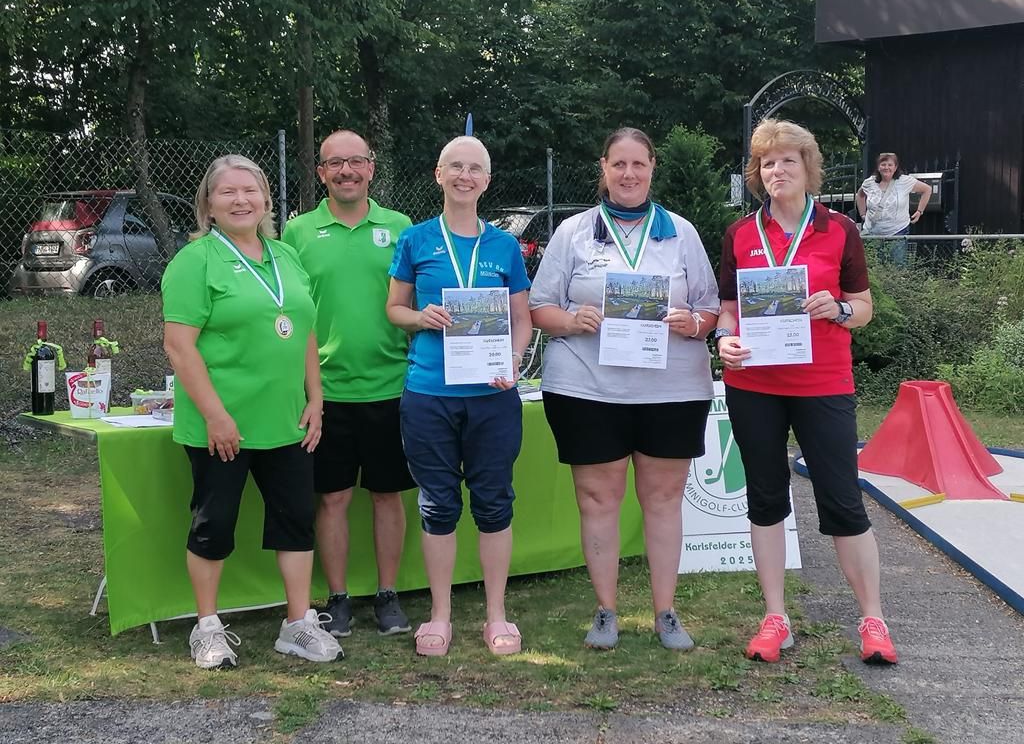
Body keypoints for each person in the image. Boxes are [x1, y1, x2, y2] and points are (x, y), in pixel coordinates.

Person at [529, 127, 719, 651]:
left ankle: (666, 612)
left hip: (671, 391)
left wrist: (692, 324)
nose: (629, 174)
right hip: (587, 390)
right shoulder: (572, 232)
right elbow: (540, 306)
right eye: (619, 164)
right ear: (604, 168)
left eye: (638, 164)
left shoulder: (681, 232)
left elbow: (710, 307)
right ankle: (606, 610)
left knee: (663, 499)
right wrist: (571, 321)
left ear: (653, 167)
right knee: (598, 499)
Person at [716, 119, 898, 665]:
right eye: (767, 162)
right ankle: (775, 617)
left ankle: (873, 619)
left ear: (808, 167)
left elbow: (863, 308)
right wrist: (724, 340)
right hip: (754, 384)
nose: (777, 170)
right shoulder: (739, 234)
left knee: (842, 499)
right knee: (766, 496)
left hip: (822, 383)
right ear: (758, 173)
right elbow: (728, 310)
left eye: (788, 160)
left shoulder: (839, 229)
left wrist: (837, 308)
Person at [162, 155, 341, 669]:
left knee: (296, 521)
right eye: (227, 192)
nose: (241, 200)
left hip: (286, 421)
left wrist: (315, 398)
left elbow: (303, 330)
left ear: (266, 200)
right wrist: (216, 415)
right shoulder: (195, 262)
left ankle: (298, 624)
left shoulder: (286, 256)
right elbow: (179, 347)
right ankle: (207, 628)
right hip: (224, 426)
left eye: (250, 190)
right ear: (208, 204)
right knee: (214, 525)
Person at [385, 136, 533, 657]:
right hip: (429, 394)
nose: (465, 176)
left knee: (494, 503)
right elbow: (394, 309)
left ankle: (497, 615)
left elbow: (522, 319)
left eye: (475, 169)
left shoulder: (505, 246)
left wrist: (513, 359)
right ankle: (440, 615)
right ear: (439, 174)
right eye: (456, 167)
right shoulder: (416, 240)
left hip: (492, 395)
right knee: (438, 505)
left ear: (487, 181)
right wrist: (419, 316)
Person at [282, 130, 415, 639]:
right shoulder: (297, 232)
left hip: (392, 385)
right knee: (333, 499)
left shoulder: (400, 227)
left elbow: (415, 302)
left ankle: (387, 595)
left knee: (387, 496)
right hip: (325, 393)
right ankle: (337, 599)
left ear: (371, 168)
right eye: (335, 163)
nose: (346, 171)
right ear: (321, 173)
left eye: (356, 161)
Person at [856, 152, 932, 265]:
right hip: (873, 233)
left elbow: (927, 189)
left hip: (897, 232)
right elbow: (860, 195)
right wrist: (863, 214)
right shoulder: (869, 182)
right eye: (883, 164)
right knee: (873, 267)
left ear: (895, 167)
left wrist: (919, 211)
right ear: (878, 167)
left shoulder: (905, 181)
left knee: (897, 267)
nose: (886, 167)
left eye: (890, 165)